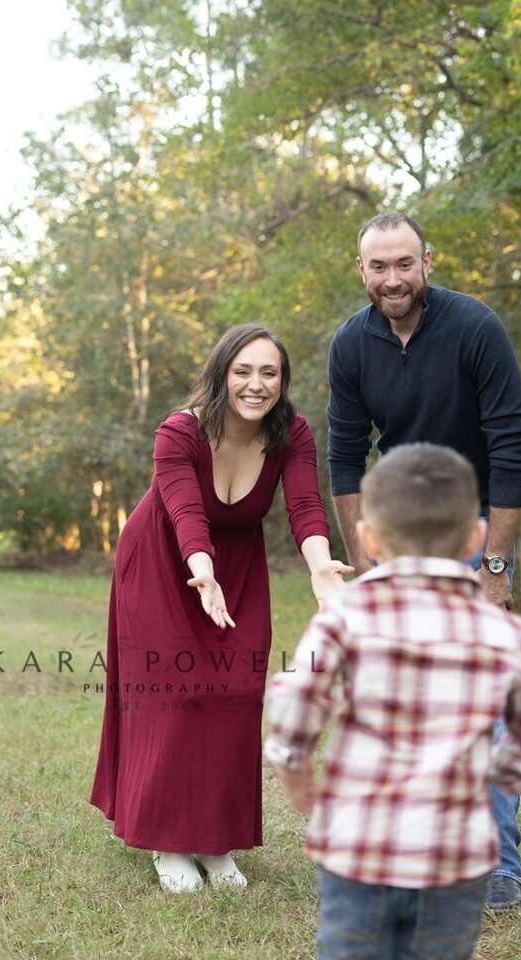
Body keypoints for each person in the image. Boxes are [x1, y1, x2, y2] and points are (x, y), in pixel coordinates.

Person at [265, 444, 521, 960]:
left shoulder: (346, 616)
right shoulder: (499, 630)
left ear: (368, 538)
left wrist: (301, 785)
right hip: (457, 857)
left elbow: (293, 700)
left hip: (357, 849)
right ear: (474, 537)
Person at [90, 323, 352, 893]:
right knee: (175, 692)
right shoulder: (178, 431)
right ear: (221, 374)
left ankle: (215, 842)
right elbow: (184, 510)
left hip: (237, 563)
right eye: (243, 371)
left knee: (235, 690)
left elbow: (305, 504)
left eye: (269, 373)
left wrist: (320, 567)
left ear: (282, 382)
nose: (256, 384)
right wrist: (201, 571)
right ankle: (167, 843)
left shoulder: (293, 434)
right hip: (165, 560)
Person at [326, 212, 521, 909]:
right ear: (361, 271)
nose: (393, 278)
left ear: (427, 263)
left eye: (404, 264)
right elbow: (345, 455)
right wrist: (363, 563)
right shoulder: (351, 345)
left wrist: (495, 568)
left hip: (472, 525)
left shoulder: (475, 328)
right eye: (379, 266)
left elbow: (511, 443)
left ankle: (497, 860)